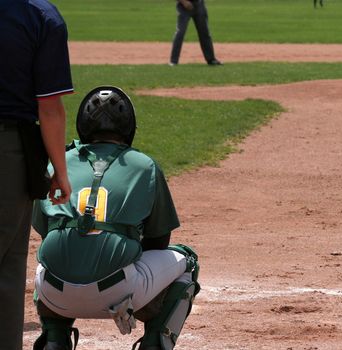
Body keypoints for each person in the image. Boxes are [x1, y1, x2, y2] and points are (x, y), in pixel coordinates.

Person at [31, 86, 200, 350]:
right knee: (187, 260)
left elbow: (45, 230)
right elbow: (159, 240)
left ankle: (54, 340)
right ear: (129, 127)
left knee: (46, 261)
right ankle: (156, 343)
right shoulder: (144, 165)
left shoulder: (58, 162)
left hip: (55, 294)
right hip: (121, 291)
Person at [0, 0, 73, 348]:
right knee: (9, 267)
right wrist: (60, 171)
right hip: (8, 151)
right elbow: (49, 107)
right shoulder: (41, 17)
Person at [169, 0, 222, 66]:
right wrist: (184, 2)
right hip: (184, 7)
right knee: (180, 32)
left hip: (199, 5)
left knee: (204, 32)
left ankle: (211, 59)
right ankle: (173, 61)